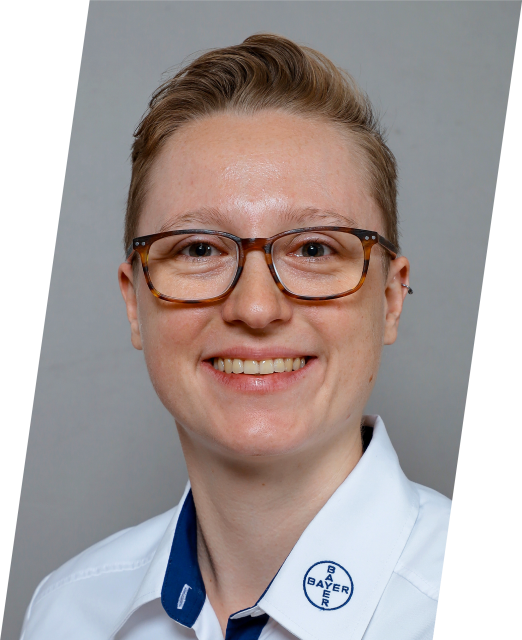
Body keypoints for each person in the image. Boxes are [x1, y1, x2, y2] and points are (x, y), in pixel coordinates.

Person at [21, 34, 451, 640]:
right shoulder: (66, 612)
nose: (255, 307)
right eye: (199, 249)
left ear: (390, 298)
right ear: (134, 303)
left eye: (313, 248)